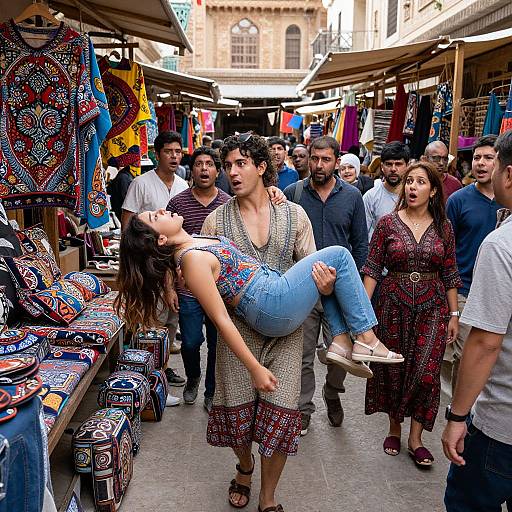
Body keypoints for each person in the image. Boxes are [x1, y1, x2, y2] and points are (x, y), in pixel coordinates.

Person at [362, 161, 461, 466]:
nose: (412, 187)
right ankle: (394, 427)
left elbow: (450, 271)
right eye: (409, 182)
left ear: (433, 190)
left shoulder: (443, 227)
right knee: (394, 369)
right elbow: (373, 268)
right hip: (392, 305)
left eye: (420, 182)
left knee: (427, 373)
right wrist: (363, 316)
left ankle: (416, 438)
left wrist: (454, 313)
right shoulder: (388, 224)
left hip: (433, 308)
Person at [442, 129, 512, 512]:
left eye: (495, 161)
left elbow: (486, 342)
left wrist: (457, 416)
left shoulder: (502, 244)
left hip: (501, 426)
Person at [284, 136, 370, 436]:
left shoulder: (352, 197)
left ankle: (332, 392)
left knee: (342, 355)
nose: (319, 165)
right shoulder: (293, 193)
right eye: (315, 158)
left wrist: (354, 286)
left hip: (339, 291)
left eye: (326, 160)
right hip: (303, 290)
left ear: (337, 161)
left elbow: (360, 245)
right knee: (302, 355)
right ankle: (303, 409)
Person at [121, 130, 189, 388]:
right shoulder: (141, 183)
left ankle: (164, 367)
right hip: (147, 264)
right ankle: (144, 372)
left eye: (177, 152)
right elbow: (128, 226)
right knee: (149, 320)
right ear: (157, 154)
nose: (174, 156)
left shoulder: (183, 185)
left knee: (171, 319)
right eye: (169, 152)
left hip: (173, 263)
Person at [166, 146, 231, 412]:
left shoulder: (228, 204)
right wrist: (169, 287)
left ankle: (211, 391)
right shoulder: (177, 204)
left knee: (218, 343)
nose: (204, 169)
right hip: (188, 290)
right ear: (191, 170)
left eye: (209, 164)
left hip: (219, 290)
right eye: (199, 164)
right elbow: (166, 250)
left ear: (217, 171)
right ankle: (193, 377)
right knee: (191, 341)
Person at [445, 135, 502, 393]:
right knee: (466, 357)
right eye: (476, 157)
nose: (480, 163)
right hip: (466, 291)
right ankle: (459, 412)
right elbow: (446, 251)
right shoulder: (458, 200)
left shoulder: (507, 200)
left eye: (488, 158)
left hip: (501, 291)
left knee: (495, 357)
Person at [363, 142, 410, 239]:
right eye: (389, 164)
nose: (393, 169)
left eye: (398, 164)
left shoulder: (414, 195)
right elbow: (363, 235)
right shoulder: (371, 197)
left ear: (407, 166)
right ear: (382, 166)